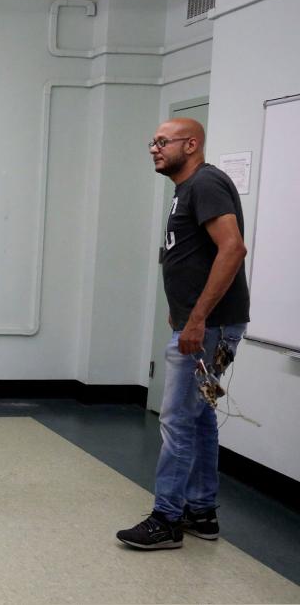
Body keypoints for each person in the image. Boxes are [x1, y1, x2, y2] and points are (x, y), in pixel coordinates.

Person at [117, 118, 250, 550]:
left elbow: (232, 248)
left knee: (176, 419)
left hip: (207, 327)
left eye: (162, 141)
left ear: (191, 144)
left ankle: (167, 519)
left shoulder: (206, 184)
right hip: (201, 324)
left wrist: (196, 320)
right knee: (199, 417)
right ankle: (201, 511)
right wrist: (183, 314)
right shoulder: (186, 190)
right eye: (151, 141)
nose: (154, 148)